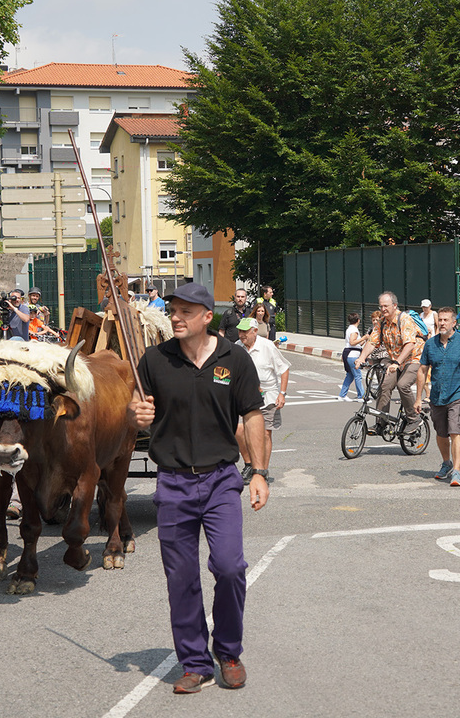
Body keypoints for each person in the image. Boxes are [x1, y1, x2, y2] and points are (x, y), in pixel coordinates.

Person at [131, 282, 268, 694]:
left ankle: (228, 652)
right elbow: (134, 409)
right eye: (173, 310)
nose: (175, 317)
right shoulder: (155, 360)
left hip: (221, 479)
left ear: (207, 317)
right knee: (181, 578)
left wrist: (258, 471)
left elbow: (252, 414)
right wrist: (135, 414)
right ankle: (195, 663)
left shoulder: (234, 358)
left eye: (185, 311)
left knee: (230, 567)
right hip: (173, 481)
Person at [415, 307, 460, 487]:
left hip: (457, 394)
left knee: (455, 431)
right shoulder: (430, 344)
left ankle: (456, 471)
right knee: (441, 433)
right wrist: (418, 398)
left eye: (445, 320)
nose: (442, 323)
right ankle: (446, 463)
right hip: (437, 396)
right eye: (440, 320)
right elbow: (422, 371)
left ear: (453, 322)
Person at [354, 291, 424, 435]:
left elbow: (410, 344)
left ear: (395, 305)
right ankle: (381, 423)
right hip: (395, 360)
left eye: (386, 306)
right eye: (381, 306)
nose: (383, 309)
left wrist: (397, 363)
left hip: (413, 358)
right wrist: (361, 357)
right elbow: (372, 342)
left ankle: (414, 418)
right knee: (384, 386)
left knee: (403, 385)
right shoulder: (382, 322)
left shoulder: (404, 319)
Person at [234, 317, 290, 483]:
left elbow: (284, 369)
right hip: (244, 396)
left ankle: (262, 471)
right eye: (240, 331)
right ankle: (249, 464)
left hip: (268, 396)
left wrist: (282, 393)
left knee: (265, 433)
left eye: (245, 331)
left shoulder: (267, 346)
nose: (242, 335)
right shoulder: (237, 347)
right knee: (238, 430)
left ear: (255, 331)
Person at [338, 312, 366, 401]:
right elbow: (352, 342)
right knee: (358, 375)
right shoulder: (354, 330)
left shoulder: (350, 329)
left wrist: (365, 339)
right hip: (352, 355)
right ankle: (361, 396)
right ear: (358, 320)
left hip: (349, 353)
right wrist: (363, 338)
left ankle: (342, 395)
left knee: (350, 375)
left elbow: (358, 344)